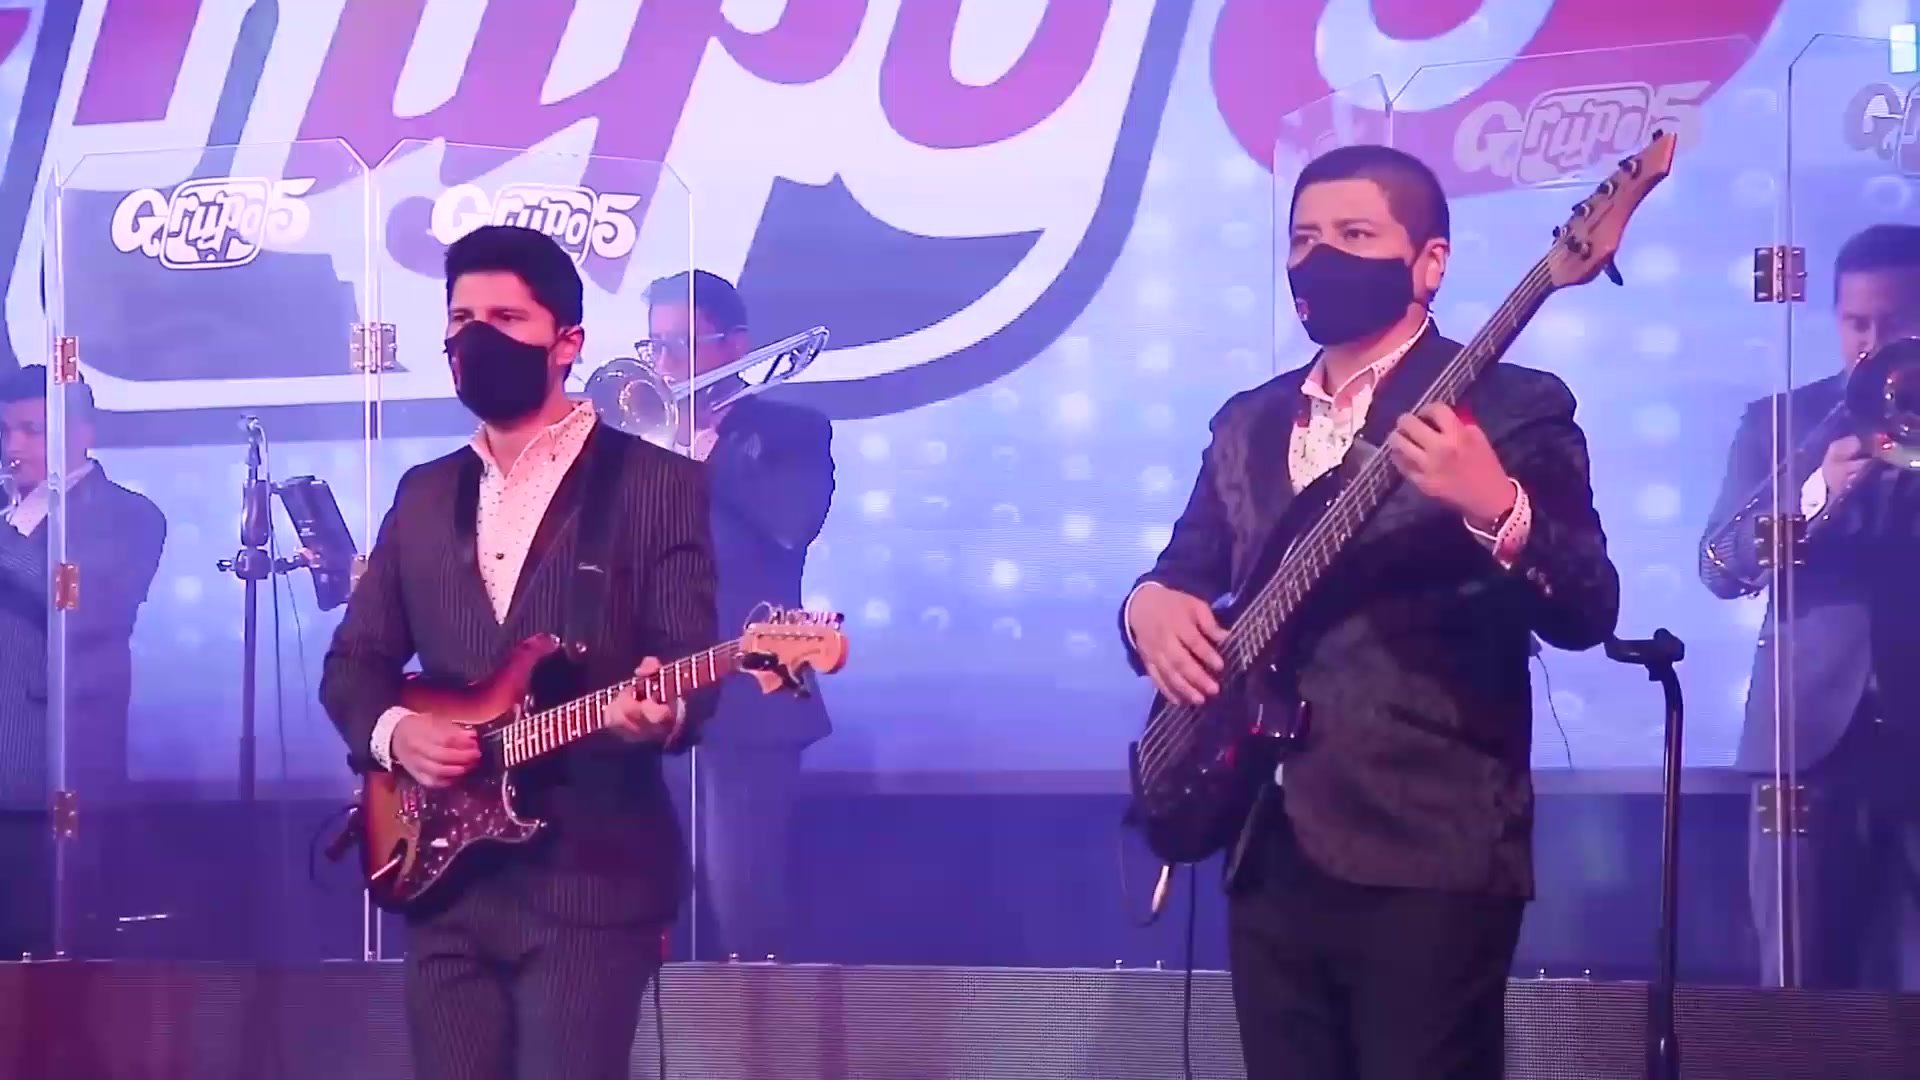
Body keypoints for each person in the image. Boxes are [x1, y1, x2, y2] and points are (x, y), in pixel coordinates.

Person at [1120, 144, 1619, 1080]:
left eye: (1354, 235)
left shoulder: (1513, 406)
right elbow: (1183, 571)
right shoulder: (1247, 422)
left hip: (1429, 845)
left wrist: (1496, 507)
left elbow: (1589, 604)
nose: (1320, 258)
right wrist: (1146, 608)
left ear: (1429, 262)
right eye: (1304, 239)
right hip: (1264, 840)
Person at [320, 225, 718, 1080]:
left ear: (567, 342)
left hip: (591, 881)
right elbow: (354, 663)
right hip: (443, 883)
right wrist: (396, 733)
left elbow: (687, 657)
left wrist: (665, 708)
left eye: (506, 318)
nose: (477, 339)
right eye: (461, 320)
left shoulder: (656, 484)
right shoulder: (423, 494)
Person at [1699, 223, 1920, 990]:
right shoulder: (1783, 422)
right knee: (1799, 996)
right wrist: (1819, 491)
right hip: (1804, 750)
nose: (1873, 343)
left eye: (1896, 322)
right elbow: (1720, 565)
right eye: (1857, 322)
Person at [644, 270, 834, 961]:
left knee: (742, 907)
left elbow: (792, 524)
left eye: (684, 343)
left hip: (752, 696)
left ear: (736, 345)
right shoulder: (633, 443)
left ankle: (759, 1030)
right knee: (649, 909)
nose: (667, 363)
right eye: (656, 346)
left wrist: (707, 452)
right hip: (650, 703)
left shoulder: (793, 431)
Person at [0, 367, 165, 957]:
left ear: (82, 433)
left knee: (47, 955)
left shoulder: (128, 515)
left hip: (52, 773)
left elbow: (85, 605)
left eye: (31, 431)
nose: (14, 446)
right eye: (6, 432)